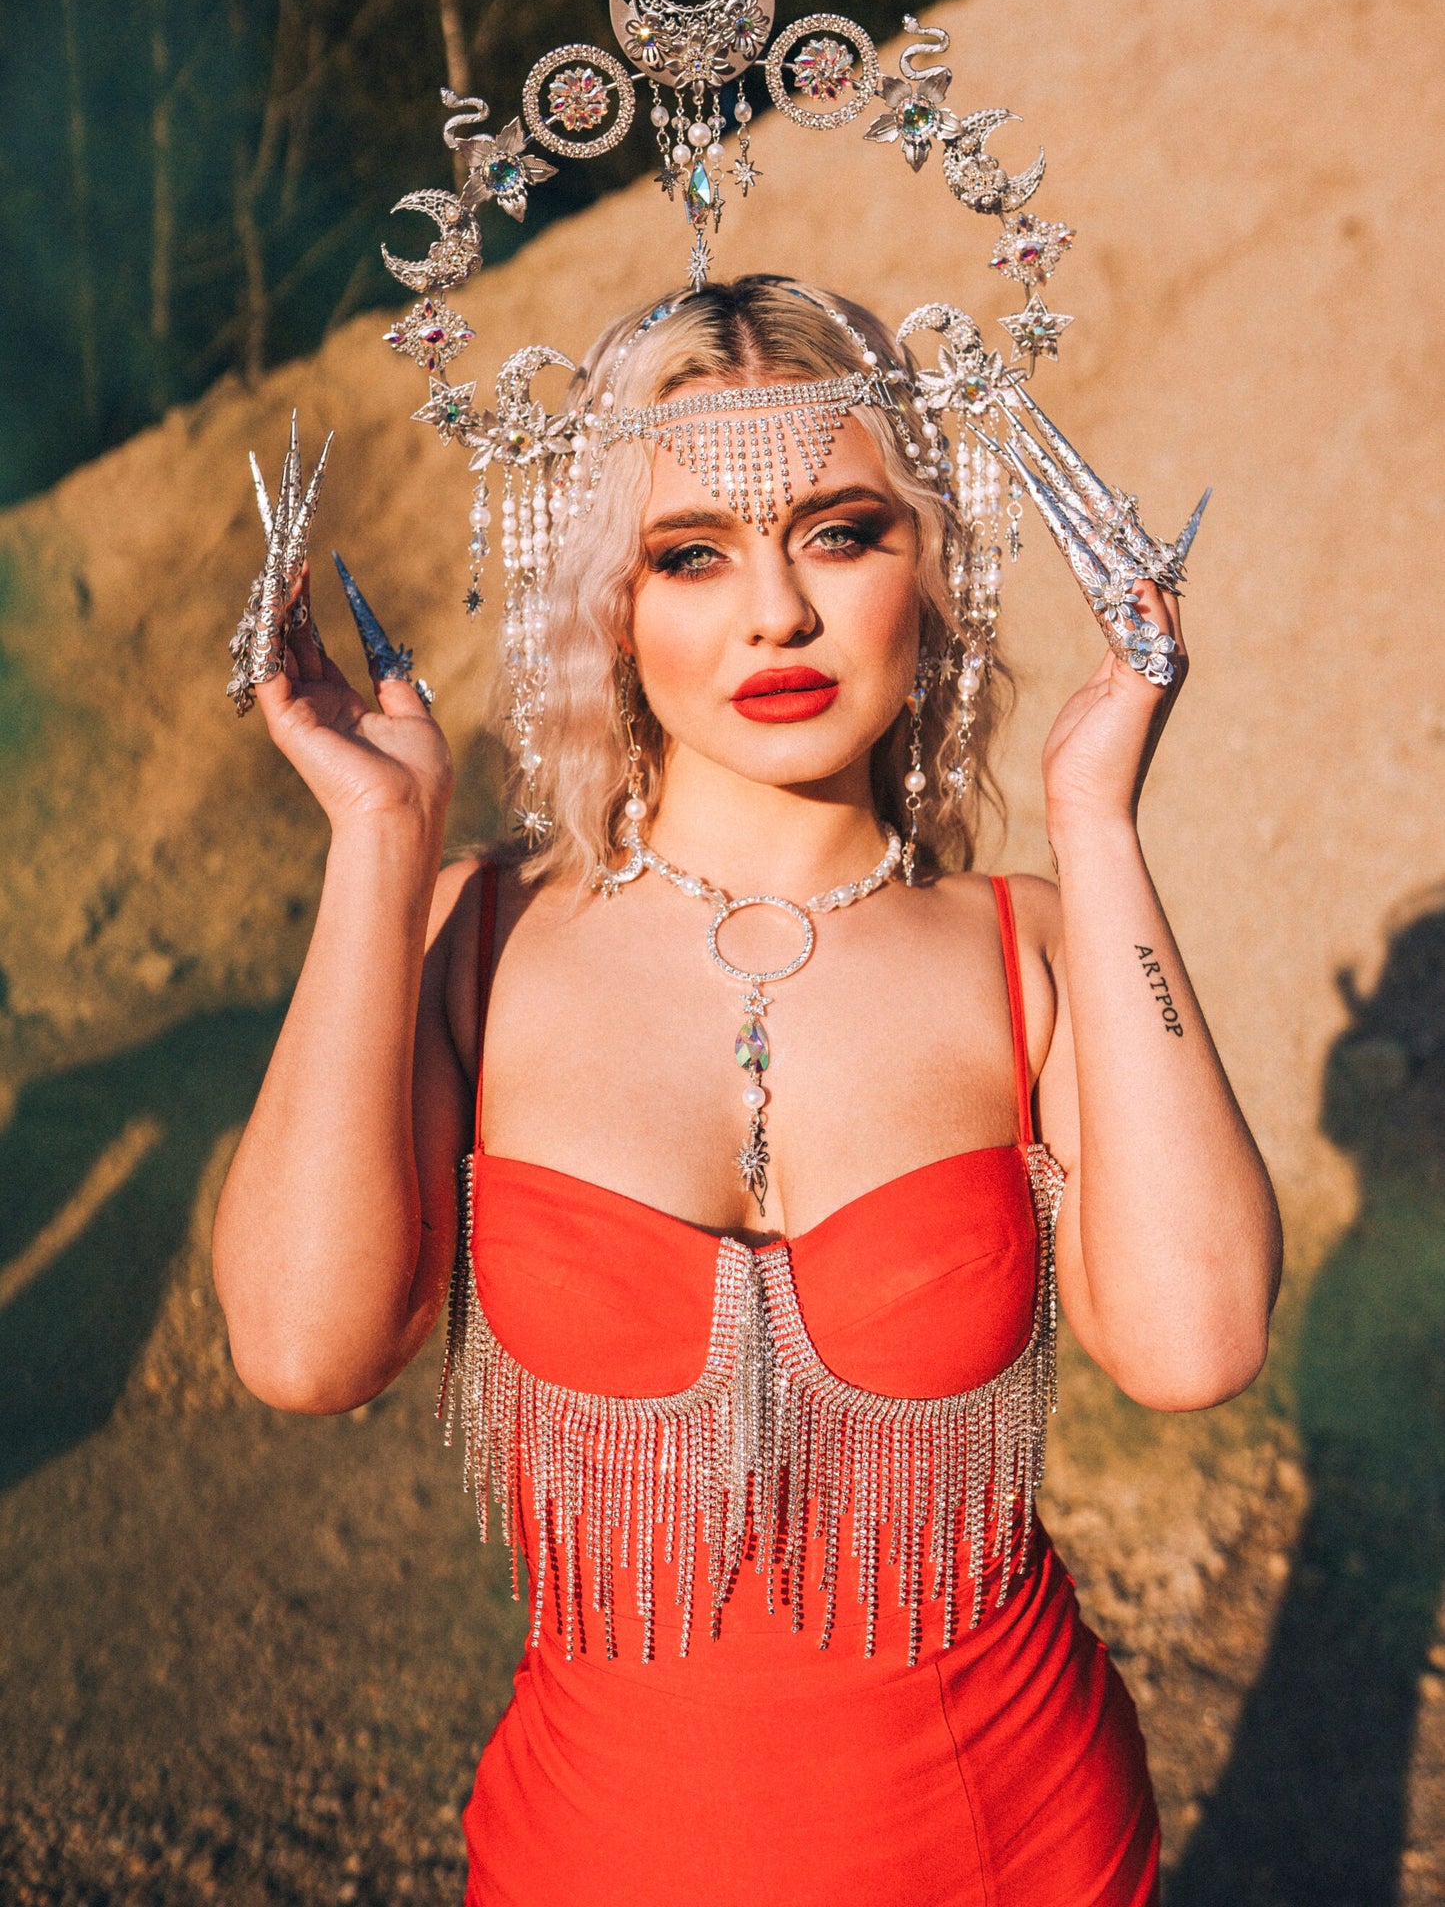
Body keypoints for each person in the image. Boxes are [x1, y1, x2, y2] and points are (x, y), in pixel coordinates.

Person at [213, 274, 1281, 1906]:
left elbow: (1193, 1347)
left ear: (930, 566)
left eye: (841, 534)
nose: (775, 612)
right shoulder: (475, 936)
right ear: (610, 604)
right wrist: (379, 842)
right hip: (598, 1851)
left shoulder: (1031, 943)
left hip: (1016, 1840)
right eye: (692, 553)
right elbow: (304, 1353)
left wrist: (1096, 817)